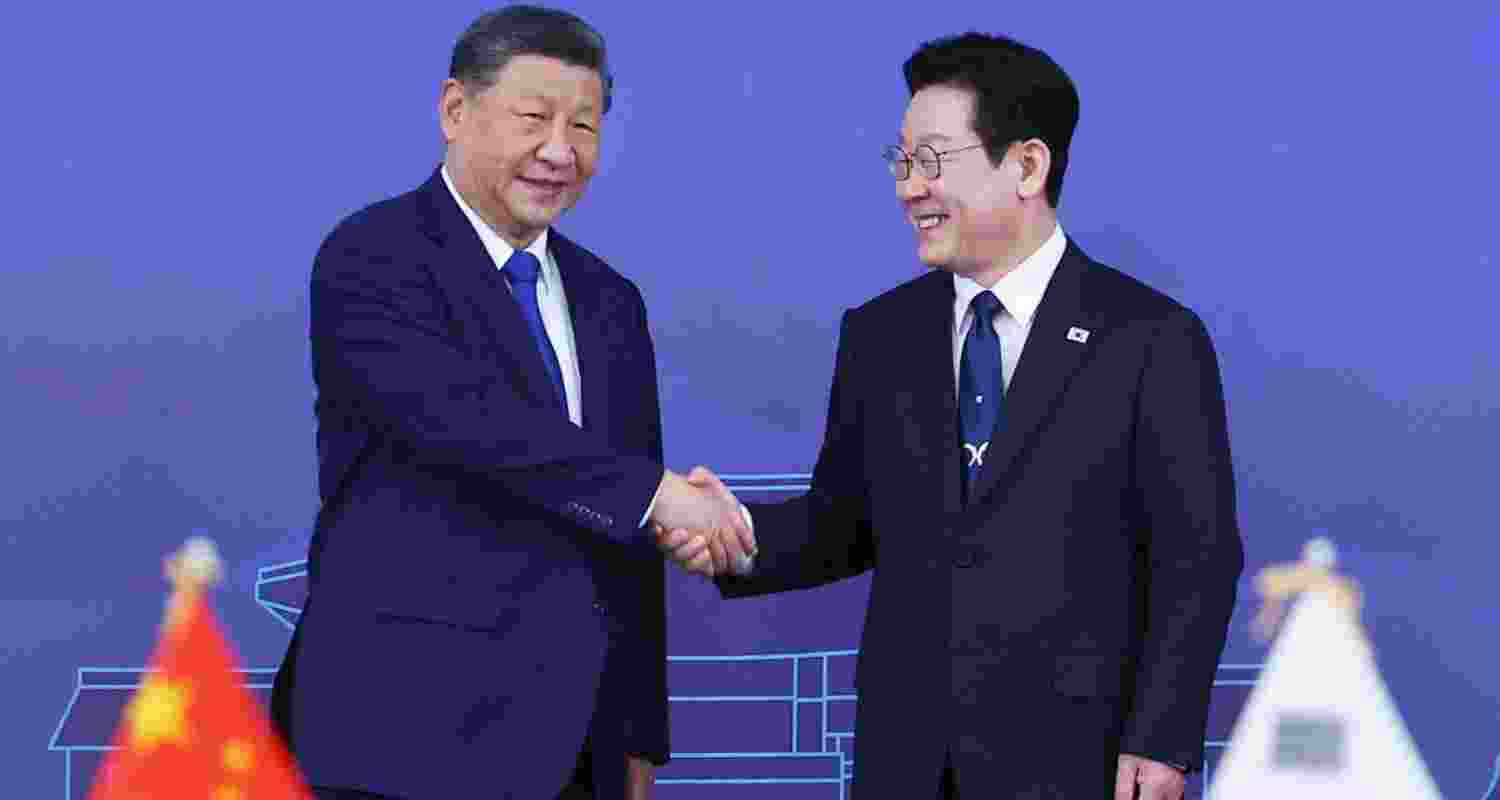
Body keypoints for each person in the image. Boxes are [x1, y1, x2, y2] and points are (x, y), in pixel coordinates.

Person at [660, 31, 1244, 799]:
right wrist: (734, 537)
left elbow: (1195, 559)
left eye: (933, 160)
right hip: (908, 760)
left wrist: (1161, 741)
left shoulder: (1150, 338)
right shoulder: (881, 334)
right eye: (901, 161)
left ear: (1027, 165)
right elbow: (847, 524)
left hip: (1080, 762)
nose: (909, 188)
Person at [269, 6, 753, 799]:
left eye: (586, 126)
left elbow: (624, 542)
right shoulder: (373, 256)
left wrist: (637, 739)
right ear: (455, 111)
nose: (560, 151)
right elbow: (466, 422)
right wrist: (660, 495)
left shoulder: (609, 300)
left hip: (574, 748)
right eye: (534, 118)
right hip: (399, 733)